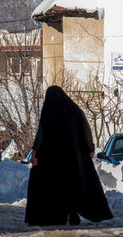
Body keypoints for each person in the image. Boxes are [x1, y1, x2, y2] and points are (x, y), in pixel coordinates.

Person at [25, 86, 113, 226]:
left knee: (55, 186)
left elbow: (41, 135)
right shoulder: (76, 111)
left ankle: (55, 216)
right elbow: (86, 130)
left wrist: (35, 152)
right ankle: (73, 213)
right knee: (73, 185)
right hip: (73, 157)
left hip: (51, 158)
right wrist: (90, 148)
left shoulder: (49, 112)